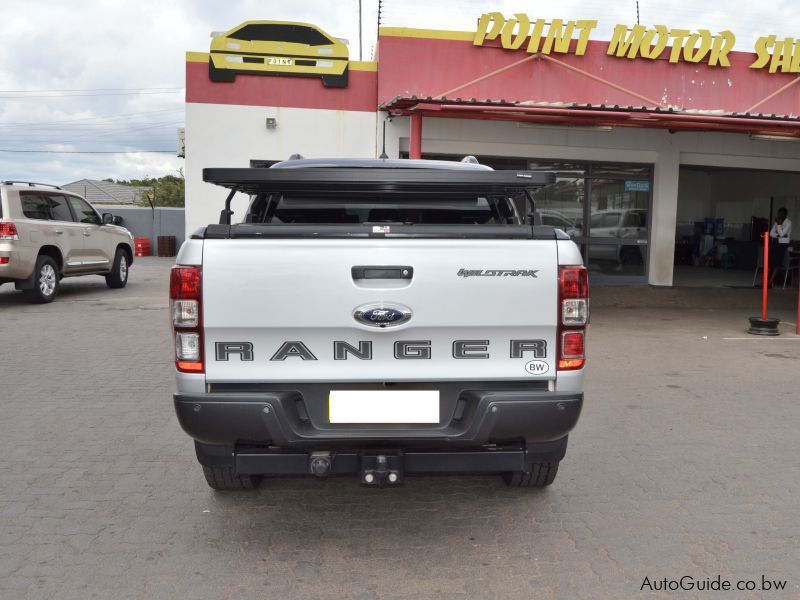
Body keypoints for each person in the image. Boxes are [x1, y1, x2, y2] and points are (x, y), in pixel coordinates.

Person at [769, 208, 792, 285]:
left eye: (781, 213)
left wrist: (779, 224)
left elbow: (782, 234)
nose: (779, 215)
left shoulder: (788, 223)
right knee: (771, 261)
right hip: (776, 243)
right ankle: (768, 280)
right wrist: (779, 235)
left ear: (785, 214)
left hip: (783, 245)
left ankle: (770, 282)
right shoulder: (777, 222)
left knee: (777, 263)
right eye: (778, 213)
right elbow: (771, 233)